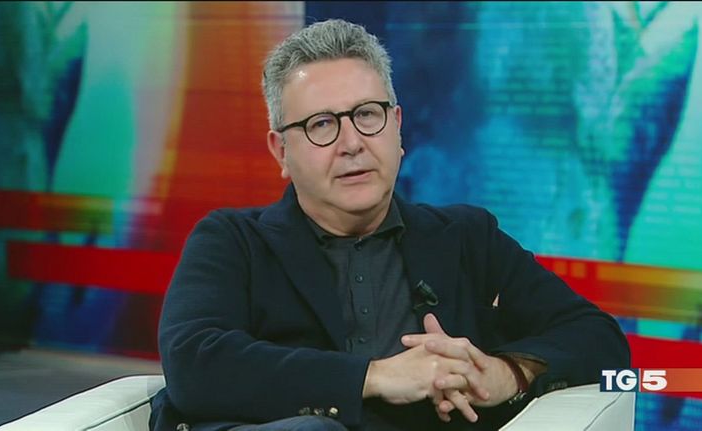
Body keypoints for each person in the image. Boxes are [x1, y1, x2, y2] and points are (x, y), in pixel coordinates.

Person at [150, 19, 630, 431]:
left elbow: (597, 338)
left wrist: (509, 374)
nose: (352, 143)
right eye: (321, 124)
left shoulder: (467, 238)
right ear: (281, 151)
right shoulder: (234, 242)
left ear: (397, 126)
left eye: (367, 114)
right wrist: (375, 377)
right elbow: (195, 363)